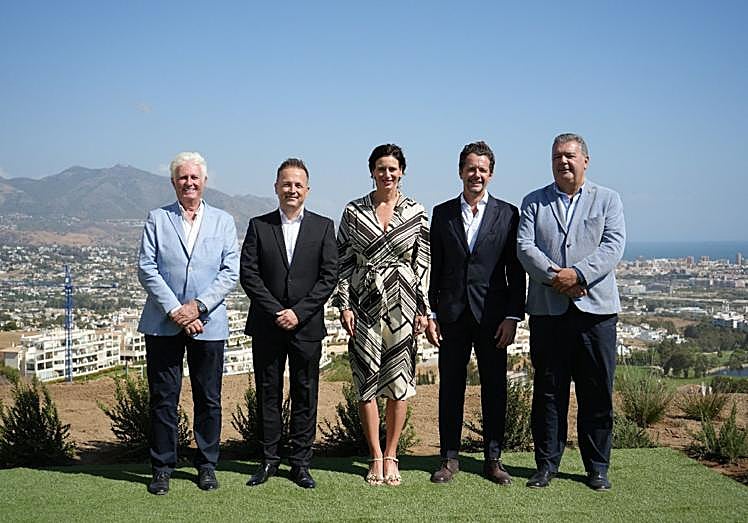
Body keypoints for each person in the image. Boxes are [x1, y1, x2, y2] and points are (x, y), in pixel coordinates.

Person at [517, 133, 625, 491]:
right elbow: (525, 247)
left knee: (597, 392)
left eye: (569, 155)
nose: (563, 161)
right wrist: (558, 278)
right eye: (556, 156)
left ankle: (597, 467)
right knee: (549, 392)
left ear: (585, 161)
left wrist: (578, 275)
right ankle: (546, 465)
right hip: (548, 312)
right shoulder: (534, 201)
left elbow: (613, 246)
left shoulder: (608, 199)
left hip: (596, 314)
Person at [137, 151, 239, 495]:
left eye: (195, 177)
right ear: (173, 182)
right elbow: (147, 268)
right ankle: (162, 467)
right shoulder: (157, 218)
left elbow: (230, 272)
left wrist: (197, 307)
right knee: (163, 398)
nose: (189, 183)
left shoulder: (223, 221)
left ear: (205, 181)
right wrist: (175, 311)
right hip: (162, 323)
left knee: (208, 398)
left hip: (208, 323)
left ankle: (207, 465)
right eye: (183, 177)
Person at [426, 141, 526, 485]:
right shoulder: (442, 213)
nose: (476, 175)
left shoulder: (508, 214)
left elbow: (516, 271)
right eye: (471, 168)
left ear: (491, 174)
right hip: (452, 315)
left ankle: (493, 460)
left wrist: (513, 316)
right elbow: (436, 267)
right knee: (450, 388)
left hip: (493, 318)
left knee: (495, 388)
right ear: (460, 172)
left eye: (482, 169)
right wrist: (432, 313)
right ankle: (449, 458)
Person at [334, 144, 430, 486]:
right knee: (366, 381)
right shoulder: (353, 211)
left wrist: (423, 310)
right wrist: (344, 305)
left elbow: (423, 263)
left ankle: (392, 454)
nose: (386, 174)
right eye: (380, 168)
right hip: (363, 301)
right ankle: (374, 454)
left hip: (403, 302)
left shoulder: (417, 211)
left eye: (392, 168)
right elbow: (342, 261)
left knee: (399, 381)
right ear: (372, 171)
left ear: (401, 171)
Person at [240, 158, 338, 489]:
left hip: (306, 325)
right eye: (286, 184)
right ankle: (269, 460)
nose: (292, 189)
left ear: (307, 190)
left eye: (298, 184)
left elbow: (329, 276)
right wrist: (276, 311)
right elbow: (249, 275)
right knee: (268, 392)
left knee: (305, 393)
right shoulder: (258, 225)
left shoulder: (323, 227)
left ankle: (300, 463)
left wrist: (298, 312)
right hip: (267, 325)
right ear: (276, 187)